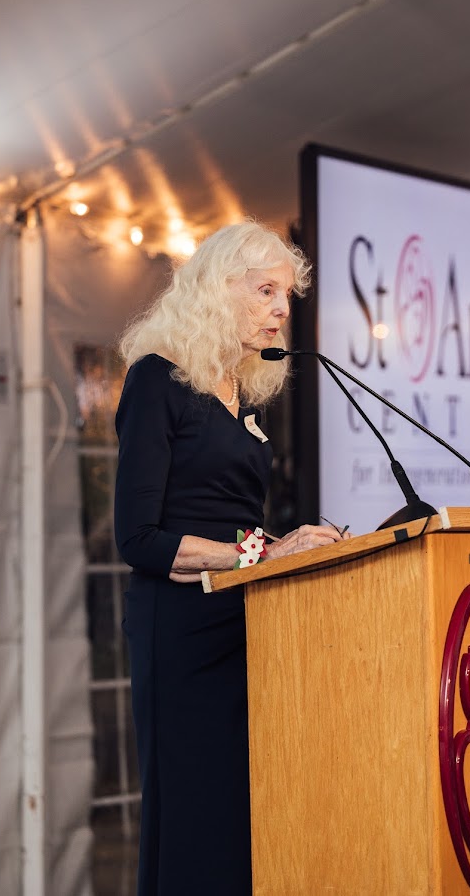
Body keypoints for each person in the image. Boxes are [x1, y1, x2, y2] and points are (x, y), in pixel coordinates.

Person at [114, 220, 350, 896]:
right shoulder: (157, 379)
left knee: (244, 815)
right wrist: (265, 553)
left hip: (245, 621)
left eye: (287, 295)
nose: (282, 310)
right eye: (265, 290)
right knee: (196, 812)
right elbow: (139, 538)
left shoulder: (240, 393)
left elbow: (237, 529)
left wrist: (280, 551)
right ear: (217, 289)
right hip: (181, 632)